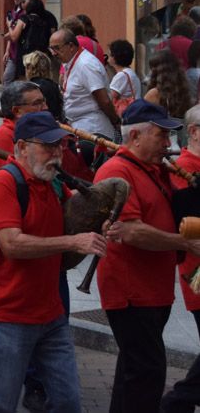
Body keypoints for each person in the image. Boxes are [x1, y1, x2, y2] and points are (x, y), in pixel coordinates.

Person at [0, 111, 106, 413]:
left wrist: (100, 224)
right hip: (9, 316)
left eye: (59, 146)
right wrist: (73, 242)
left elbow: (76, 220)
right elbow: (12, 244)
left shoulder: (52, 182)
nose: (56, 154)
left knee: (67, 403)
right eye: (47, 146)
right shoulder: (3, 184)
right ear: (21, 148)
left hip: (51, 315)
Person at [94, 100, 200, 413]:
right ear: (135, 137)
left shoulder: (154, 169)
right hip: (130, 290)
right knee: (148, 373)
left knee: (133, 371)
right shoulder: (117, 170)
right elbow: (129, 231)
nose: (168, 144)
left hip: (152, 289)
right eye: (161, 136)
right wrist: (185, 243)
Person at [161, 105, 200, 413]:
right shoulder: (182, 169)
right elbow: (188, 223)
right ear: (195, 132)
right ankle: (178, 401)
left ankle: (179, 402)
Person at [49, 28, 119, 142]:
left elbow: (104, 100)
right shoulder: (72, 62)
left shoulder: (86, 64)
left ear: (71, 46)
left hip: (93, 130)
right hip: (82, 129)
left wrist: (116, 121)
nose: (54, 53)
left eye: (56, 48)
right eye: (51, 49)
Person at [2, 0, 29, 84]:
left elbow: (13, 32)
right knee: (7, 77)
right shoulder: (13, 11)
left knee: (23, 79)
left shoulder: (26, 13)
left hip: (22, 51)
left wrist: (9, 26)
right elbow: (12, 33)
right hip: (13, 52)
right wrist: (7, 51)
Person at [108, 39, 141, 116]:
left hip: (126, 115)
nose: (108, 57)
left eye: (110, 54)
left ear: (115, 57)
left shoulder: (121, 76)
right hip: (134, 112)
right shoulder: (130, 73)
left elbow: (109, 98)